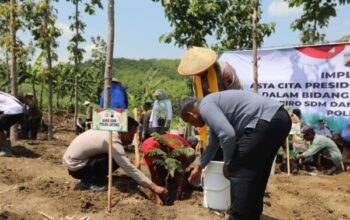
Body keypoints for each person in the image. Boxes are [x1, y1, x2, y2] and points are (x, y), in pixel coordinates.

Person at [179, 90, 291, 220]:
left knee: (238, 167)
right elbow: (214, 143)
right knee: (258, 173)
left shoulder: (205, 106)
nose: (193, 125)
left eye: (189, 121)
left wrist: (228, 163)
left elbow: (228, 135)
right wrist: (199, 167)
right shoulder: (212, 104)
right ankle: (252, 215)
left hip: (265, 120)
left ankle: (237, 217)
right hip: (280, 119)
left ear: (191, 114)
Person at [62, 117, 168, 197]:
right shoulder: (112, 140)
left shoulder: (108, 130)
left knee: (114, 156)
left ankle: (94, 177)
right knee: (116, 160)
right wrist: (153, 187)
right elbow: (127, 166)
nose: (132, 139)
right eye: (131, 135)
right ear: (124, 131)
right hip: (77, 168)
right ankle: (90, 182)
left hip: (75, 162)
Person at [141, 134, 196, 205]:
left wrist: (177, 198)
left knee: (178, 174)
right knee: (159, 173)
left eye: (155, 155)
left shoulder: (174, 145)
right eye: (152, 156)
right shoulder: (148, 151)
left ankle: (177, 194)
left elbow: (180, 170)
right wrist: (157, 197)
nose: (153, 158)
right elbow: (153, 175)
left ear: (160, 147)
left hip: (186, 152)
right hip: (165, 154)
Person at [178, 46, 242, 96]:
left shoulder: (224, 69)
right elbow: (198, 98)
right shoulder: (194, 77)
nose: (196, 73)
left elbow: (237, 93)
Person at [0, 91, 24, 156]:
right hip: (18, 111)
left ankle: (5, 150)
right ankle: (5, 148)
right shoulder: (2, 94)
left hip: (13, 111)